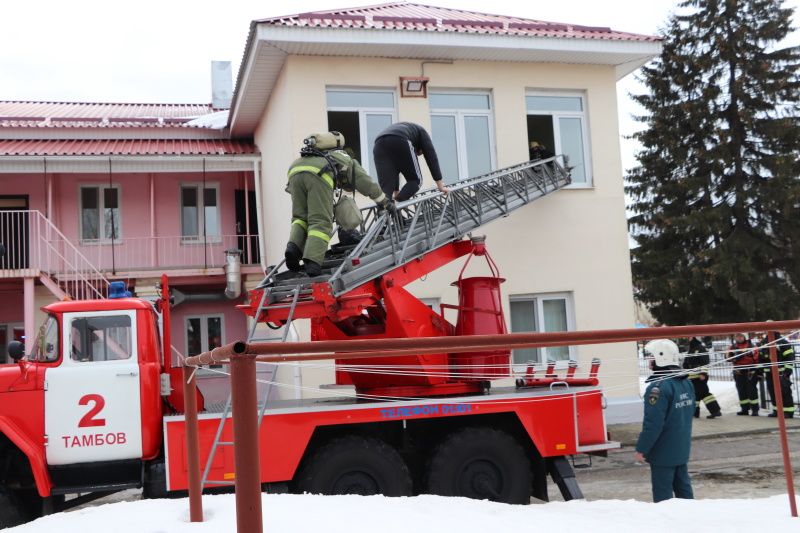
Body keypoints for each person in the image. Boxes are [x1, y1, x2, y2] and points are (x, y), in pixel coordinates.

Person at [285, 131, 395, 277]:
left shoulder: (310, 155)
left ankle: (293, 248)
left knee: (300, 217)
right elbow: (364, 182)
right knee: (320, 220)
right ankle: (313, 262)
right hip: (318, 174)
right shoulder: (341, 156)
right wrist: (384, 202)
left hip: (294, 171)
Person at [635, 339, 695, 503]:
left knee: (663, 497)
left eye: (652, 356)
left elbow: (653, 423)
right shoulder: (686, 383)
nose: (649, 359)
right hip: (681, 447)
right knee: (684, 490)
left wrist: (642, 448)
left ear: (661, 358)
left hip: (663, 450)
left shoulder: (658, 388)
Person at [372, 122, 451, 203]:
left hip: (378, 144)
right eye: (419, 153)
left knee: (386, 190)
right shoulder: (422, 133)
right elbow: (432, 159)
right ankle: (396, 203)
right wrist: (441, 186)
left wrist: (396, 192)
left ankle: (385, 208)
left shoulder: (407, 130)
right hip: (400, 139)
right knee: (416, 180)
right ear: (421, 148)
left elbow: (395, 168)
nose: (417, 154)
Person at [682, 336, 722, 419]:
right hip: (692, 376)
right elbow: (686, 362)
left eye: (690, 337)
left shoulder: (701, 348)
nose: (688, 338)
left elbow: (705, 362)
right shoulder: (690, 348)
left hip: (699, 376)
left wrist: (703, 373)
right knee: (700, 394)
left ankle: (703, 412)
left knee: (700, 394)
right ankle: (713, 411)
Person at [760, 331, 796, 418]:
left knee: (784, 392)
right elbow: (761, 357)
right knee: (773, 392)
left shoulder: (783, 342)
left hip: (781, 372)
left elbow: (789, 357)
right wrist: (760, 369)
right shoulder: (764, 343)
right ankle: (776, 410)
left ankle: (788, 411)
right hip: (769, 372)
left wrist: (787, 371)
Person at [728, 333, 760, 416]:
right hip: (738, 373)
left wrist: (758, 372)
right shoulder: (732, 347)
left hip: (750, 372)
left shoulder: (752, 347)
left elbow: (757, 358)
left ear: (745, 337)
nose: (739, 338)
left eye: (741, 336)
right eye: (737, 336)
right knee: (741, 391)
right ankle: (744, 409)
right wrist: (734, 358)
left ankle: (755, 410)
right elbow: (727, 357)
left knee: (751, 391)